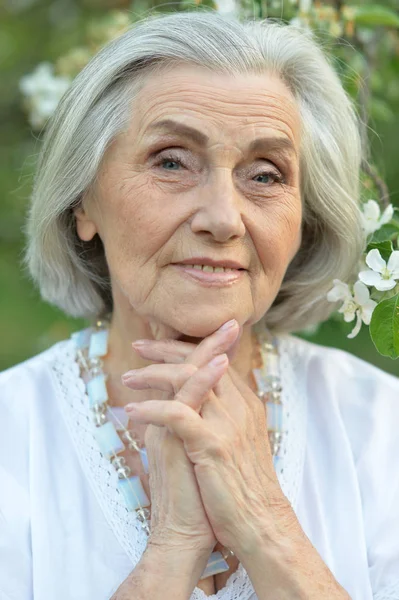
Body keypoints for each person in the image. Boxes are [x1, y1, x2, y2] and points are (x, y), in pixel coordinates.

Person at [1, 10, 398, 600]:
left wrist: (265, 519)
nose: (223, 217)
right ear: (83, 202)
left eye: (265, 175)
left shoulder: (381, 427)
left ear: (305, 219)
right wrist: (172, 549)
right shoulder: (13, 433)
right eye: (171, 162)